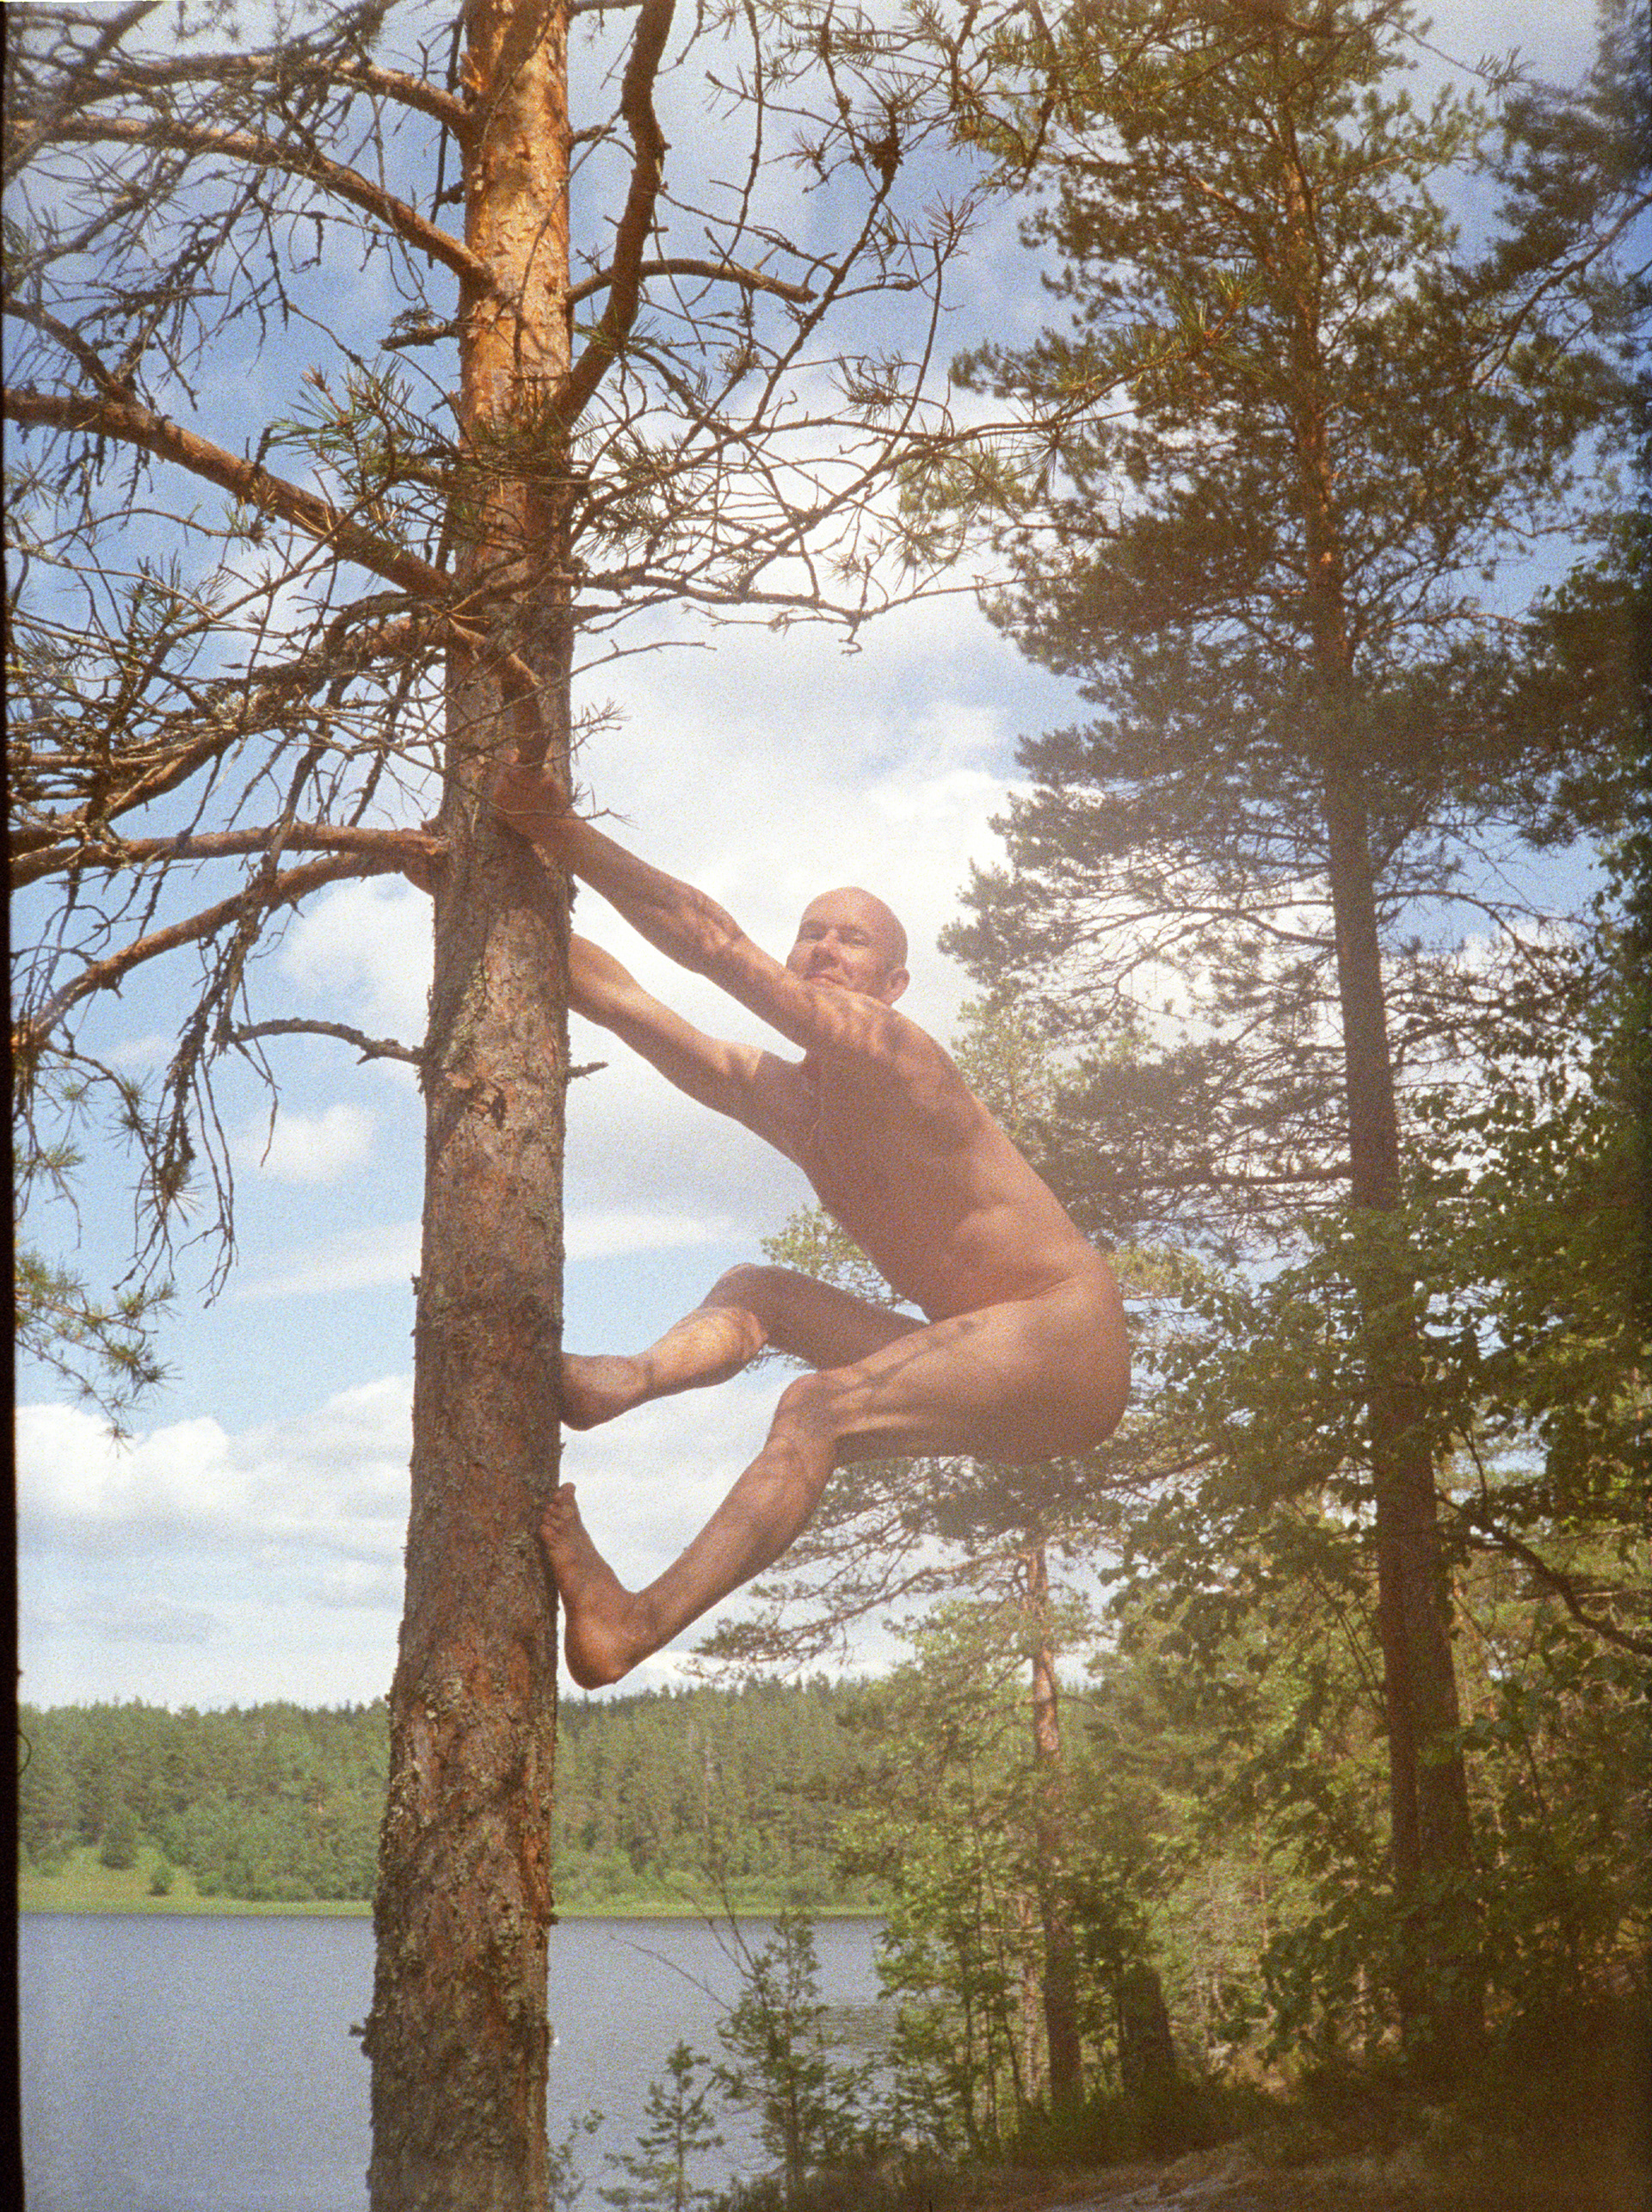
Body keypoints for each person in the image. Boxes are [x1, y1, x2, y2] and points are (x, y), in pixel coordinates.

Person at [493, 766, 1130, 1686]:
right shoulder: (792, 1103)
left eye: (853, 938)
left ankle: (630, 1625)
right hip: (985, 1359)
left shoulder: (897, 1052)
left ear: (894, 983)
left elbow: (713, 946)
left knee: (815, 1407)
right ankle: (620, 1383)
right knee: (759, 1292)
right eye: (812, 932)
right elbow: (627, 1003)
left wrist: (560, 831)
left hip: (1064, 1335)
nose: (826, 946)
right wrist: (484, 894)